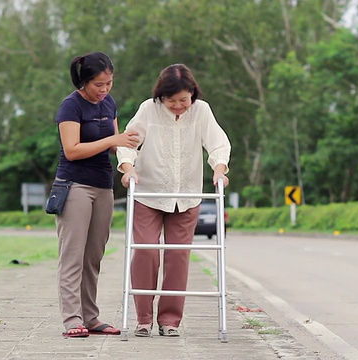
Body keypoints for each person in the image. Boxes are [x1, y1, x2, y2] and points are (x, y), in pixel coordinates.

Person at [116, 64, 231, 337]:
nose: (178, 106)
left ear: (193, 94)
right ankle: (143, 318)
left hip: (187, 195)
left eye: (183, 100)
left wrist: (219, 169)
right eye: (171, 101)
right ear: (160, 97)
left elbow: (217, 144)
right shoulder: (148, 109)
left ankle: (169, 320)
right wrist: (127, 167)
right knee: (145, 250)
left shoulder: (202, 111)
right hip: (149, 194)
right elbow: (127, 141)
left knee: (178, 256)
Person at [54, 52, 139, 338]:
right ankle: (72, 320)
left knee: (93, 256)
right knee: (73, 256)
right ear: (83, 82)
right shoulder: (71, 106)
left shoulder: (110, 103)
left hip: (104, 185)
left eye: (109, 84)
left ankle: (91, 317)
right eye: (98, 85)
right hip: (75, 185)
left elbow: (116, 146)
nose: (104, 90)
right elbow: (72, 150)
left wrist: (131, 143)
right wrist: (113, 140)